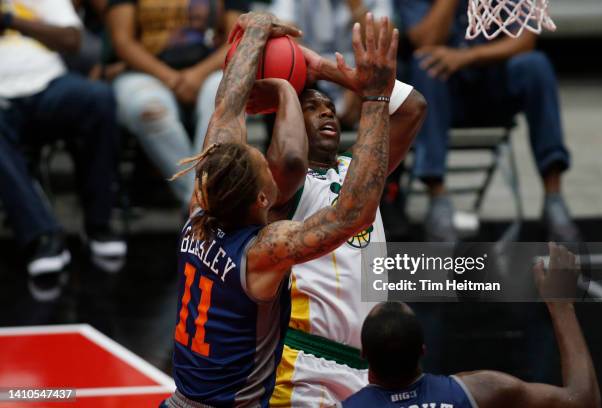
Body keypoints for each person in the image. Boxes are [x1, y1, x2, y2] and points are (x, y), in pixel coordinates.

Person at [162, 11, 400, 407]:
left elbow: (226, 112)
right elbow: (350, 215)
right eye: (263, 169)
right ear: (261, 200)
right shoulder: (259, 253)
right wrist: (374, 96)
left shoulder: (199, 214)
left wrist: (253, 32)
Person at [266, 14, 427, 407]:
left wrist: (332, 72)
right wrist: (287, 87)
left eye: (329, 107)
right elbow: (287, 159)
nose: (327, 112)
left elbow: (414, 108)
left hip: (372, 369)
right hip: (305, 363)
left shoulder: (359, 174)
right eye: (311, 107)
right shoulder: (279, 182)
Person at [394, 0, 579, 243]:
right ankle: (437, 199)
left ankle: (554, 199)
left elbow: (525, 41)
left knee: (537, 65)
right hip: (444, 96)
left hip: (491, 84)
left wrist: (467, 57)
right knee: (424, 63)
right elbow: (425, 40)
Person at [340, 243, 601, 408]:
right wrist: (561, 306)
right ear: (423, 350)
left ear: (364, 356)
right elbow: (583, 400)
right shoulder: (480, 390)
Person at [0, 0, 125, 301]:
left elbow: (72, 40)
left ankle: (98, 225)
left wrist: (10, 20)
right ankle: (42, 236)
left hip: (49, 86)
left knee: (97, 99)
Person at [107, 0, 251, 209]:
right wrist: (172, 79)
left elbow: (238, 39)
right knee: (149, 110)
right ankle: (203, 206)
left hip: (212, 69)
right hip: (145, 72)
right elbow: (123, 42)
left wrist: (196, 75)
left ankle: (198, 208)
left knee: (226, 98)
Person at [268, 0, 392, 128]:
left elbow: (383, 44)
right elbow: (284, 35)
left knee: (381, 75)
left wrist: (357, 5)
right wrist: (345, 80)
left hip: (361, 76)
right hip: (313, 75)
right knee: (281, 67)